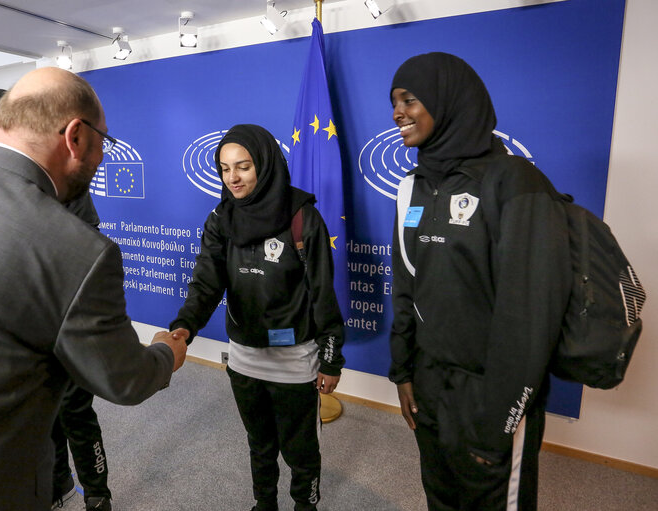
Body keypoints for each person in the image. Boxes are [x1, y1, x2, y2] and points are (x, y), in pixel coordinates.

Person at [0, 67, 188, 510]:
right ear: (76, 136)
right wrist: (166, 353)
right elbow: (126, 380)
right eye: (104, 139)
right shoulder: (79, 251)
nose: (105, 154)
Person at [387, 52, 571, 510]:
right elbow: (407, 286)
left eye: (410, 99)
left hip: (492, 392)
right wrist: (404, 372)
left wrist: (501, 418)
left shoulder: (517, 183)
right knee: (441, 496)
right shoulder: (413, 187)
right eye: (393, 102)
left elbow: (533, 316)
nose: (397, 113)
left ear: (450, 101)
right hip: (430, 384)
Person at [170, 124, 345, 511]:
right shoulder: (220, 219)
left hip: (295, 361)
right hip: (245, 359)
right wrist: (184, 326)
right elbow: (206, 283)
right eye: (224, 168)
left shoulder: (303, 219)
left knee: (301, 452)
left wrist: (331, 357)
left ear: (264, 165)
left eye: (243, 167)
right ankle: (264, 504)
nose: (232, 177)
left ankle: (306, 505)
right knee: (260, 445)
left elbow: (323, 294)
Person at [0, 88, 113, 511]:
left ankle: (98, 495)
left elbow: (82, 251)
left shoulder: (61, 178)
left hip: (65, 323)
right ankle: (59, 485)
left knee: (76, 414)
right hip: (22, 329)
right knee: (42, 417)